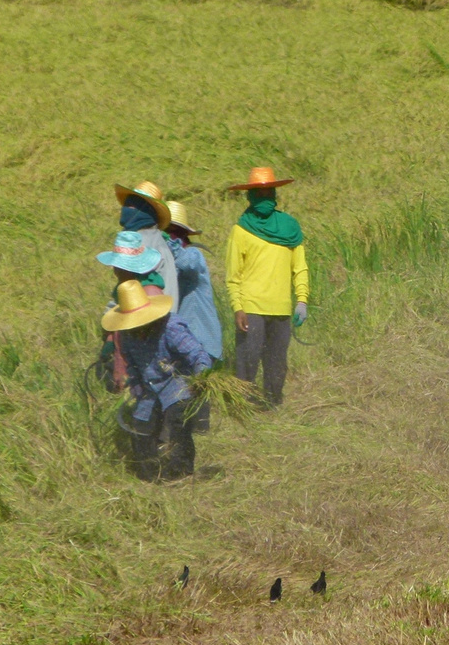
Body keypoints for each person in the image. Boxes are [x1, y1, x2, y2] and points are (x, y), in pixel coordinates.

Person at [99, 236, 213, 482]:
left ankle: (182, 472)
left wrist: (202, 376)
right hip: (150, 388)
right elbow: (134, 368)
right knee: (141, 427)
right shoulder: (129, 337)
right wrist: (135, 387)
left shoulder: (171, 328)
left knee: (176, 424)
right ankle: (148, 473)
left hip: (177, 382)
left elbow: (197, 354)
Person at [225, 166, 309, 407]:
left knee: (277, 362)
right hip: (251, 307)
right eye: (257, 194)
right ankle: (242, 409)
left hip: (281, 308)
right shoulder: (240, 230)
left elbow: (300, 268)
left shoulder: (290, 228)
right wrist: (237, 307)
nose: (263, 199)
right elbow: (233, 274)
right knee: (247, 360)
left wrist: (301, 300)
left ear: (274, 194)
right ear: (249, 197)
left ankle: (272, 407)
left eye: (267, 193)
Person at [166, 200, 223, 433]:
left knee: (199, 387)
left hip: (202, 335)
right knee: (184, 388)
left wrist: (170, 244)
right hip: (181, 337)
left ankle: (201, 431)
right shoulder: (167, 264)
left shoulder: (193, 254)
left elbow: (187, 265)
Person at [115, 181, 179, 304]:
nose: (125, 209)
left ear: (144, 210)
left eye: (132, 205)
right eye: (126, 205)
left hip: (151, 315)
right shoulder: (157, 238)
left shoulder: (140, 241)